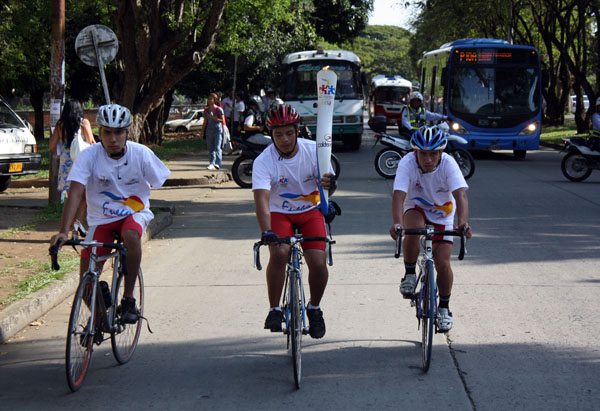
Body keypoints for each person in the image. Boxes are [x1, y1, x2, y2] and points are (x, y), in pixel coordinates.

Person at [50, 104, 170, 324]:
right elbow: (75, 192)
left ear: (127, 133)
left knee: (131, 235)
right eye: (107, 133)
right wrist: (63, 231)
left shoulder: (141, 153)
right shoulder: (89, 155)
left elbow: (158, 180)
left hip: (134, 213)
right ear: (99, 133)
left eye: (118, 133)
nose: (113, 139)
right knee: (86, 282)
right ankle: (99, 320)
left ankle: (128, 299)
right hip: (101, 219)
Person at [252, 104, 336, 339]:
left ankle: (314, 308)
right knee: (279, 253)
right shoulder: (264, 160)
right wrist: (266, 230)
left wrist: (331, 187)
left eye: (289, 133)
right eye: (278, 134)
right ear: (271, 135)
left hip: (310, 210)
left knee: (318, 263)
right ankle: (274, 309)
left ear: (298, 131)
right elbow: (261, 199)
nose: (285, 139)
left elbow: (328, 188)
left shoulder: (315, 151)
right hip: (279, 212)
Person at [389, 125, 472, 332]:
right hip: (416, 206)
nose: (428, 159)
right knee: (414, 228)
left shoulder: (449, 164)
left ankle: (444, 309)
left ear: (441, 153)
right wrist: (398, 223)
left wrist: (462, 223)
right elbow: (399, 195)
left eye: (433, 154)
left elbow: (461, 195)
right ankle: (409, 273)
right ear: (415, 152)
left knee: (442, 262)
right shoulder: (407, 162)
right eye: (423, 154)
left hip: (443, 213)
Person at [49, 99, 96, 234]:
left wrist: (63, 149)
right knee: (85, 198)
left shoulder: (60, 126)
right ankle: (77, 226)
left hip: (66, 164)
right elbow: (92, 142)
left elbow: (52, 147)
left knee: (72, 198)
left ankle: (68, 226)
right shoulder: (84, 122)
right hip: (81, 162)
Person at [202, 93, 224, 170]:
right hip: (209, 130)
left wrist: (213, 117)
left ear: (215, 100)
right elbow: (205, 121)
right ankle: (211, 163)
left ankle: (218, 163)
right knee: (210, 148)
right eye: (208, 99)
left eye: (211, 99)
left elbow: (222, 120)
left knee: (217, 147)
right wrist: (202, 131)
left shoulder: (219, 109)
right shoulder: (206, 110)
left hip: (217, 130)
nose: (209, 100)